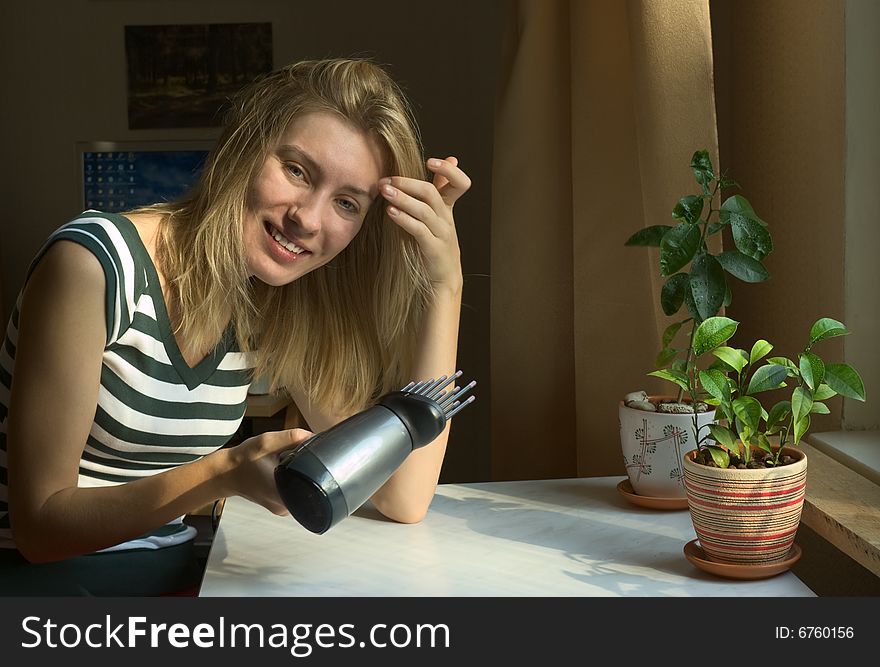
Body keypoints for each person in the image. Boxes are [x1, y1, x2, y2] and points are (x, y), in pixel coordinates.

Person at [0, 58, 471, 595]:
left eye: (346, 203)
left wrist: (443, 287)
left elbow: (401, 496)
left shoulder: (270, 301)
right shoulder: (92, 266)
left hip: (177, 578)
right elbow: (39, 529)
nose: (308, 219)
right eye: (297, 170)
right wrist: (224, 474)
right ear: (244, 148)